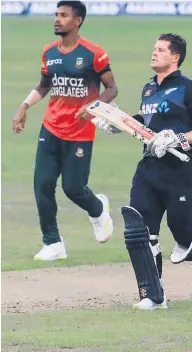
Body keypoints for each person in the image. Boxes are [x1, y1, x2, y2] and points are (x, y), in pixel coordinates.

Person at [95, 33, 192, 310]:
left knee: (186, 244)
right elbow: (146, 122)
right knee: (141, 233)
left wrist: (178, 138)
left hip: (180, 171)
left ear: (176, 57)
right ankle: (153, 295)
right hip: (148, 170)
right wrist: (117, 123)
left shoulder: (188, 88)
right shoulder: (149, 88)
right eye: (154, 48)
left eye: (161, 49)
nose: (154, 53)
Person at [12, 1, 118, 261]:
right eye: (56, 14)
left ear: (78, 20)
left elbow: (112, 89)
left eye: (63, 15)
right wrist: (24, 106)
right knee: (43, 185)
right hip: (50, 128)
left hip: (80, 133)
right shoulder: (49, 52)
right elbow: (44, 84)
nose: (57, 19)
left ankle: (98, 209)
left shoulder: (94, 53)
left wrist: (92, 106)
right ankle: (53, 243)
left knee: (73, 188)